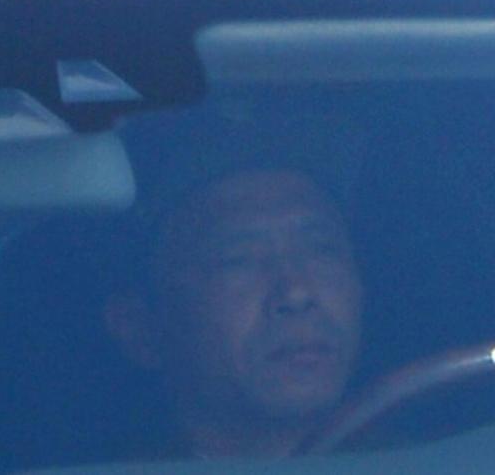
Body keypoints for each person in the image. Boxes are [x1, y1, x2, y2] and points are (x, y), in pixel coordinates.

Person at [104, 167, 364, 460]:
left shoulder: (420, 455)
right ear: (141, 330)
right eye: (239, 261)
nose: (296, 293)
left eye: (321, 250)